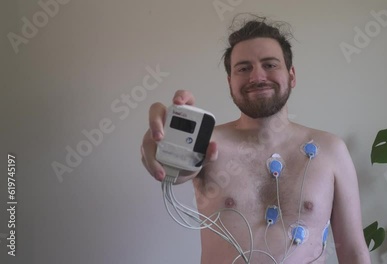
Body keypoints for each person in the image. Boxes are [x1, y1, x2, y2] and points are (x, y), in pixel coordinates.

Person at [141, 15, 370, 264]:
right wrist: (157, 143)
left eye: (270, 65)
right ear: (230, 82)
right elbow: (174, 170)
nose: (257, 77)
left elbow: (353, 252)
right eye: (244, 68)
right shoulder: (208, 145)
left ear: (292, 75)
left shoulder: (331, 150)